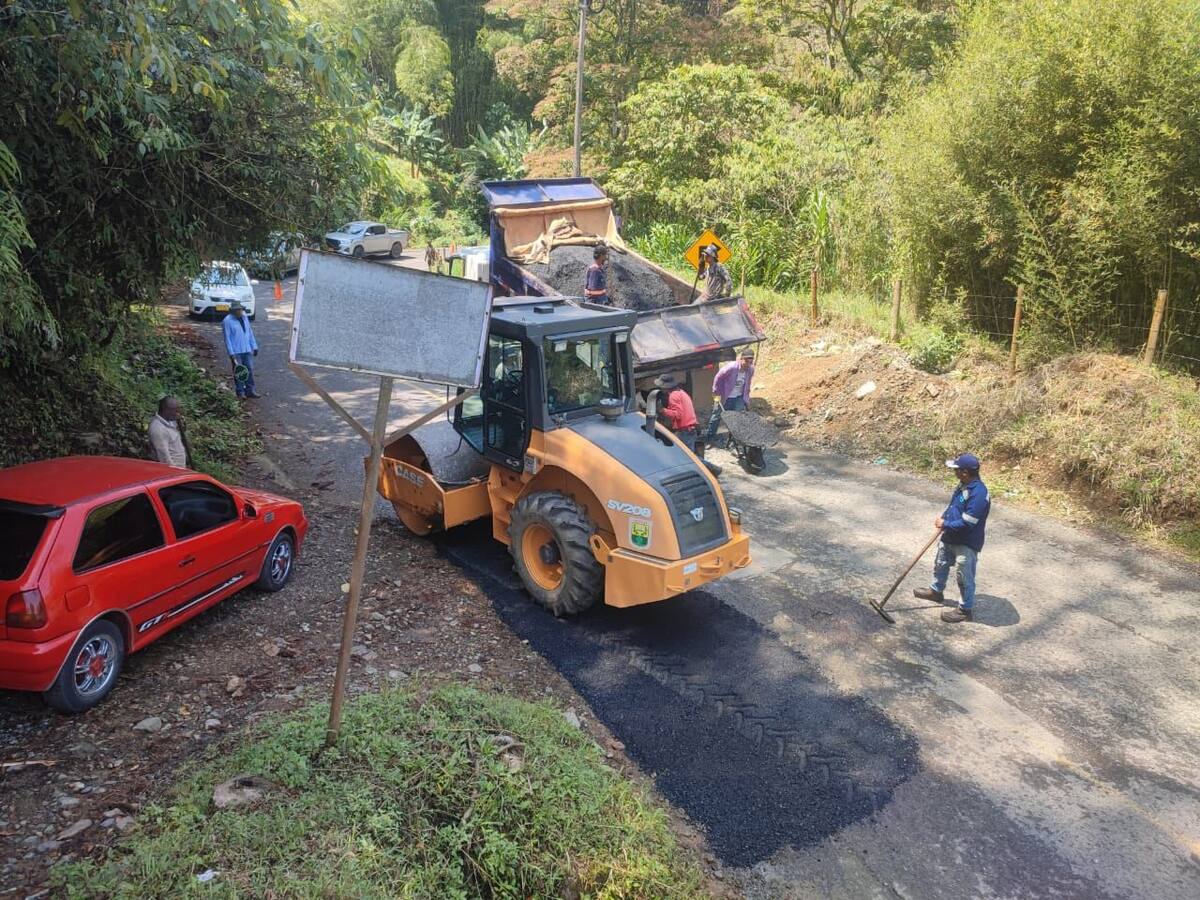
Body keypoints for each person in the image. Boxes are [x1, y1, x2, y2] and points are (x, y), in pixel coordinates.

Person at [915, 453, 991, 624]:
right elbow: (954, 507)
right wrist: (944, 519)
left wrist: (946, 523)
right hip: (950, 535)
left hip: (966, 542)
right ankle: (936, 592)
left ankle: (965, 610)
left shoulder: (979, 494)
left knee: (964, 576)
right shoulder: (963, 485)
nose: (954, 472)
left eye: (956, 469)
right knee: (940, 564)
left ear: (965, 472)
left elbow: (969, 522)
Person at [705, 347, 756, 445]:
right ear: (741, 359)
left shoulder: (750, 370)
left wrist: (746, 399)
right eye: (746, 361)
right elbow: (718, 378)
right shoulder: (731, 368)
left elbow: (748, 384)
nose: (748, 364)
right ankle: (710, 438)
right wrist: (716, 393)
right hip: (724, 396)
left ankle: (733, 440)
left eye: (750, 362)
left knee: (736, 418)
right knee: (717, 416)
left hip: (738, 397)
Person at [222, 301, 260, 399]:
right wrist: (231, 353)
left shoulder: (244, 317)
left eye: (241, 309)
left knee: (249, 369)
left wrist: (254, 346)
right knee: (239, 372)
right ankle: (240, 392)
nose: (240, 312)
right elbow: (227, 338)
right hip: (236, 351)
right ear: (233, 311)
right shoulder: (227, 321)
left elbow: (249, 332)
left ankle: (250, 390)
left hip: (246, 348)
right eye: (238, 310)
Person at [654, 374, 699, 451]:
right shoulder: (681, 392)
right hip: (690, 429)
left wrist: (663, 410)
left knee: (685, 456)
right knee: (690, 455)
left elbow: (678, 414)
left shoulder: (673, 396)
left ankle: (708, 464)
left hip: (685, 431)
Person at [148, 396, 190, 468]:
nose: (178, 413)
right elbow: (164, 457)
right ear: (166, 410)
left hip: (181, 469)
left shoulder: (170, 421)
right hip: (173, 471)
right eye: (175, 410)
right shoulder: (158, 429)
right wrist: (175, 472)